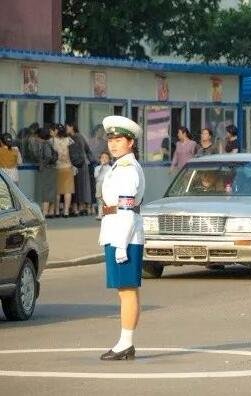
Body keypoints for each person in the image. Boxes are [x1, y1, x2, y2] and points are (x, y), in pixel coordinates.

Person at [98, 115, 145, 361]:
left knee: (126, 291)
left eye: (119, 139)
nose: (113, 144)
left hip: (123, 234)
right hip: (119, 230)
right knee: (126, 290)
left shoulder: (127, 169)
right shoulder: (119, 165)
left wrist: (121, 244)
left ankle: (125, 343)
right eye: (111, 140)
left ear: (131, 142)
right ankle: (126, 342)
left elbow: (126, 208)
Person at [67, 122, 94, 215]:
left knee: (78, 187)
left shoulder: (74, 138)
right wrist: (92, 161)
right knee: (83, 186)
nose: (66, 128)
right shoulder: (80, 136)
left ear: (72, 127)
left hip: (77, 165)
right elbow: (88, 150)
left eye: (67, 126)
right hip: (83, 164)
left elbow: (75, 152)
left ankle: (79, 207)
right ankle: (83, 206)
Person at [51, 123, 75, 217]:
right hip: (68, 167)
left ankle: (56, 211)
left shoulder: (52, 140)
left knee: (57, 191)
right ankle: (66, 212)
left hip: (57, 167)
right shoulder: (69, 140)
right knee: (67, 191)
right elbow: (73, 153)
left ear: (56, 131)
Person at [36, 127, 58, 218]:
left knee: (46, 190)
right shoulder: (50, 143)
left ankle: (45, 212)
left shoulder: (45, 144)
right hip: (52, 168)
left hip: (47, 169)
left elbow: (48, 157)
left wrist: (42, 165)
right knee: (51, 190)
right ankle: (51, 211)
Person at [94, 151, 112, 220]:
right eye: (102, 157)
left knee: (107, 200)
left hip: (107, 185)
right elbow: (96, 176)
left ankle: (107, 214)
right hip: (99, 184)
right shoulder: (97, 168)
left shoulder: (110, 168)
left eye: (106, 158)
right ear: (100, 159)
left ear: (109, 160)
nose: (104, 159)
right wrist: (101, 167)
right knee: (100, 200)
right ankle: (100, 214)